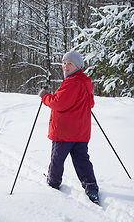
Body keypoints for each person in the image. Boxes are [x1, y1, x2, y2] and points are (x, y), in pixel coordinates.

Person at [38, 50, 99, 204]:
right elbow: (90, 103)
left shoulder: (72, 82)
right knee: (82, 160)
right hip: (81, 132)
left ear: (77, 65)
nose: (65, 66)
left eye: (69, 63)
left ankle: (52, 183)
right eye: (64, 63)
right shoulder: (85, 83)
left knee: (57, 160)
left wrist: (45, 96)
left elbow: (58, 103)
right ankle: (91, 188)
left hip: (64, 132)